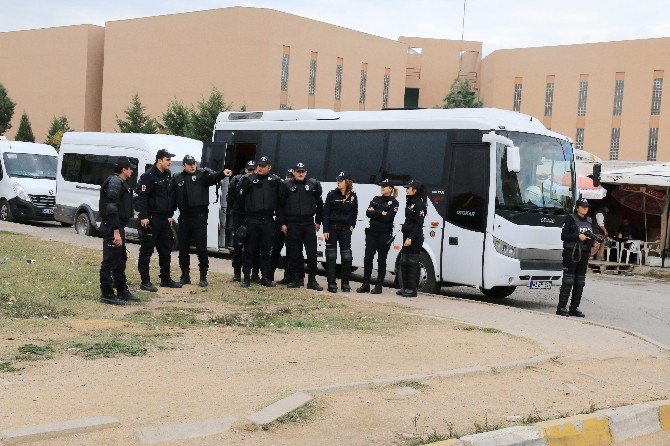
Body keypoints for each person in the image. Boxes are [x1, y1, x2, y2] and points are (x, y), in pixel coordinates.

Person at [171, 155, 231, 287]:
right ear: (183, 165)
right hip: (185, 216)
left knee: (201, 247)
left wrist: (223, 173)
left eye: (194, 163)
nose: (193, 166)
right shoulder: (177, 178)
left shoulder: (202, 175)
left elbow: (213, 178)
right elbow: (173, 199)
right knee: (183, 248)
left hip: (199, 216)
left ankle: (203, 276)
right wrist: (170, 214)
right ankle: (185, 275)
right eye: (189, 164)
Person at [136, 149, 182, 291]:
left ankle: (165, 279)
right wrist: (143, 216)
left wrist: (169, 214)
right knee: (147, 249)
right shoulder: (148, 176)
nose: (170, 162)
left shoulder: (167, 175)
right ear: (159, 160)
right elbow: (142, 197)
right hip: (151, 218)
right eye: (168, 160)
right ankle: (145, 281)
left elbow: (169, 196)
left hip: (163, 218)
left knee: (165, 249)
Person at [279, 162, 324, 291]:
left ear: (306, 172)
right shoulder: (286, 185)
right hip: (292, 224)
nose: (300, 173)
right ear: (293, 172)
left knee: (312, 255)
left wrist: (318, 222)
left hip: (308, 224)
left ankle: (312, 281)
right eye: (298, 171)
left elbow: (320, 205)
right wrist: (283, 223)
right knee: (294, 254)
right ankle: (295, 280)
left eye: (302, 171)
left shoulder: (313, 185)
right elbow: (280, 206)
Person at [98, 156, 137, 305]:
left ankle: (122, 290)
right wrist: (115, 231)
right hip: (112, 227)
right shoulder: (115, 182)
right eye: (130, 168)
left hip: (118, 226)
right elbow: (111, 208)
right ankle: (107, 293)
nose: (132, 171)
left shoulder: (122, 182)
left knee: (120, 260)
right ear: (123, 170)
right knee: (110, 261)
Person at [238, 155, 282, 287]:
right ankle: (246, 277)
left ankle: (265, 277)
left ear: (269, 167)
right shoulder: (248, 180)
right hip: (252, 220)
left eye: (263, 166)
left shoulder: (275, 181)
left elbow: (281, 201)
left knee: (266, 251)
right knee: (249, 250)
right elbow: (240, 200)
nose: (260, 168)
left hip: (268, 220)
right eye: (259, 166)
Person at [557, 197, 600, 317]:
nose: (585, 209)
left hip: (584, 253)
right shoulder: (570, 218)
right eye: (583, 206)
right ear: (577, 207)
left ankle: (574, 308)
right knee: (568, 280)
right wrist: (577, 236)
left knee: (580, 282)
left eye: (586, 207)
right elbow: (564, 236)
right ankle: (561, 308)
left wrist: (594, 242)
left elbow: (590, 237)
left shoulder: (590, 221)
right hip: (571, 253)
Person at [357, 179, 399, 294]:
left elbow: (388, 218)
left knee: (381, 259)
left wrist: (375, 212)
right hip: (372, 233)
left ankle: (379, 286)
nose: (382, 188)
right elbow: (367, 213)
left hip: (384, 234)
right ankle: (365, 284)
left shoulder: (394, 202)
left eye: (385, 186)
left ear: (390, 188)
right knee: (368, 258)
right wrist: (381, 212)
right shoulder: (376, 199)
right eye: (381, 186)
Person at [323, 171, 358, 293]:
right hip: (332, 229)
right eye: (337, 180)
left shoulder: (353, 196)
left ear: (347, 182)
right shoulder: (331, 194)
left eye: (340, 180)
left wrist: (352, 225)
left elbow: (355, 212)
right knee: (331, 257)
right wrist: (325, 229)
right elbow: (326, 213)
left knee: (347, 257)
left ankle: (345, 284)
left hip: (345, 231)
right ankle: (331, 284)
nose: (338, 182)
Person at [226, 160, 257, 281]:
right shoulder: (237, 180)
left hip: (252, 216)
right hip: (239, 215)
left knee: (252, 246)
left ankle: (252, 274)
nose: (251, 172)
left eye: (253, 170)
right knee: (238, 245)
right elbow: (229, 197)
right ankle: (237, 273)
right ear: (245, 170)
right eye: (249, 170)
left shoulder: (257, 181)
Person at [272, 168, 303, 285]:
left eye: (291, 176)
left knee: (294, 252)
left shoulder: (296, 190)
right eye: (288, 176)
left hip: (292, 224)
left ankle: (295, 277)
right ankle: (269, 275)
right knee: (275, 250)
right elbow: (279, 206)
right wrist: (281, 223)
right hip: (280, 223)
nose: (289, 179)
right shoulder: (281, 187)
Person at [396, 180, 427, 298]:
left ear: (415, 190)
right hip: (407, 236)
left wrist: (410, 237)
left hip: (414, 238)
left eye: (408, 188)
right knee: (404, 261)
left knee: (412, 262)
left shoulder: (420, 204)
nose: (407, 190)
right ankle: (405, 287)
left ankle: (412, 289)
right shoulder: (410, 202)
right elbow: (409, 220)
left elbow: (418, 224)